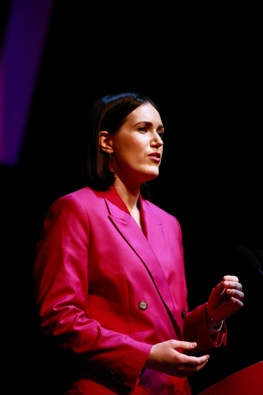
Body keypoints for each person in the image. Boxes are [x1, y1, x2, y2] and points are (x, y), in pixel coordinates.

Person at [33, 92, 244, 395]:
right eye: (143, 129)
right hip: (110, 386)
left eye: (160, 132)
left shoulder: (169, 224)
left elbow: (170, 328)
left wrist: (210, 317)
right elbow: (60, 318)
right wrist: (144, 355)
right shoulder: (76, 210)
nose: (158, 141)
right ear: (107, 142)